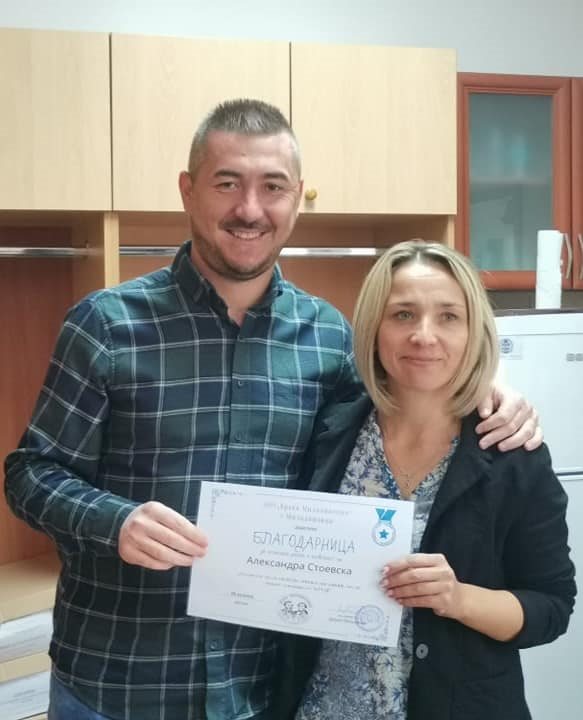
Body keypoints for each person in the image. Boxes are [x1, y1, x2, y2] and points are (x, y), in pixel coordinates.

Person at [4, 99, 541, 720]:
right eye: (227, 183)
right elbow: (30, 474)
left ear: (297, 198)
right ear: (187, 190)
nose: (250, 209)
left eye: (273, 187)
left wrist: (490, 391)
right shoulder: (105, 325)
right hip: (117, 681)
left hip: (262, 688)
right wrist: (115, 522)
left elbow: (404, 409)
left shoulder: (330, 339)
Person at [291, 241, 576, 720]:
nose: (424, 335)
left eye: (449, 316)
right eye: (403, 314)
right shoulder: (326, 434)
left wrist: (459, 599)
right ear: (374, 328)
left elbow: (552, 607)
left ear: (473, 333)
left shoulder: (513, 456)